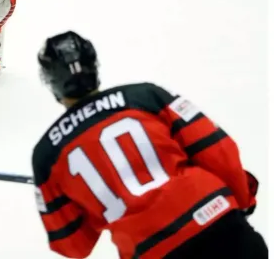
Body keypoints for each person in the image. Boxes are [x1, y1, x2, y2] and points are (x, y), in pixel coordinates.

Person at [32, 31, 267, 259]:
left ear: (51, 82)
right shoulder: (146, 96)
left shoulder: (47, 155)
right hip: (219, 223)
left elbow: (72, 246)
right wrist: (243, 200)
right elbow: (218, 150)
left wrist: (92, 204)